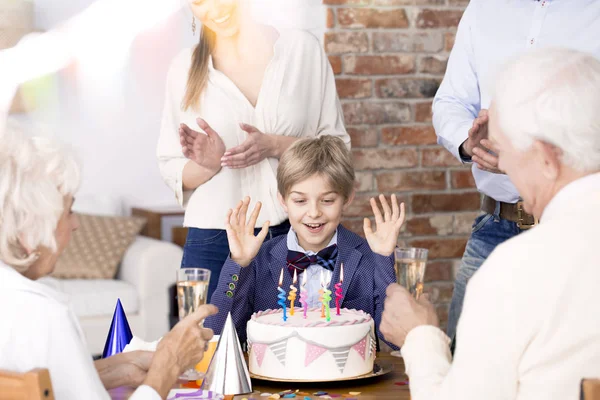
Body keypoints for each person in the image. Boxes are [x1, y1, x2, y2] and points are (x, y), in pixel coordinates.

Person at [380, 48, 600, 400]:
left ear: (545, 159)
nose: (503, 168)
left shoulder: (515, 270)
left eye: (504, 152)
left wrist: (419, 336)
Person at [0, 126, 217, 400]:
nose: (76, 224)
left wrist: (117, 370)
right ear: (29, 231)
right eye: (68, 212)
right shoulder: (45, 314)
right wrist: (169, 363)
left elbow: (47, 384)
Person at [157, 0, 349, 300]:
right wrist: (209, 164)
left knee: (298, 341)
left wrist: (274, 145)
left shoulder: (301, 51)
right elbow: (171, 167)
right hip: (214, 239)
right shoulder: (183, 68)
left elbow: (337, 148)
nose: (215, 8)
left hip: (297, 232)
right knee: (210, 343)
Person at [433, 0, 600, 343]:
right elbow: (450, 101)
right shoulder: (483, 9)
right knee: (462, 360)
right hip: (496, 225)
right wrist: (472, 144)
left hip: (578, 233)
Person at [205, 136, 403, 347]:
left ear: (347, 198)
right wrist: (239, 263)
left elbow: (396, 341)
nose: (314, 212)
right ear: (282, 200)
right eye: (300, 200)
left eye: (327, 200)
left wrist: (383, 258)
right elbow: (217, 333)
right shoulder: (257, 259)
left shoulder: (371, 257)